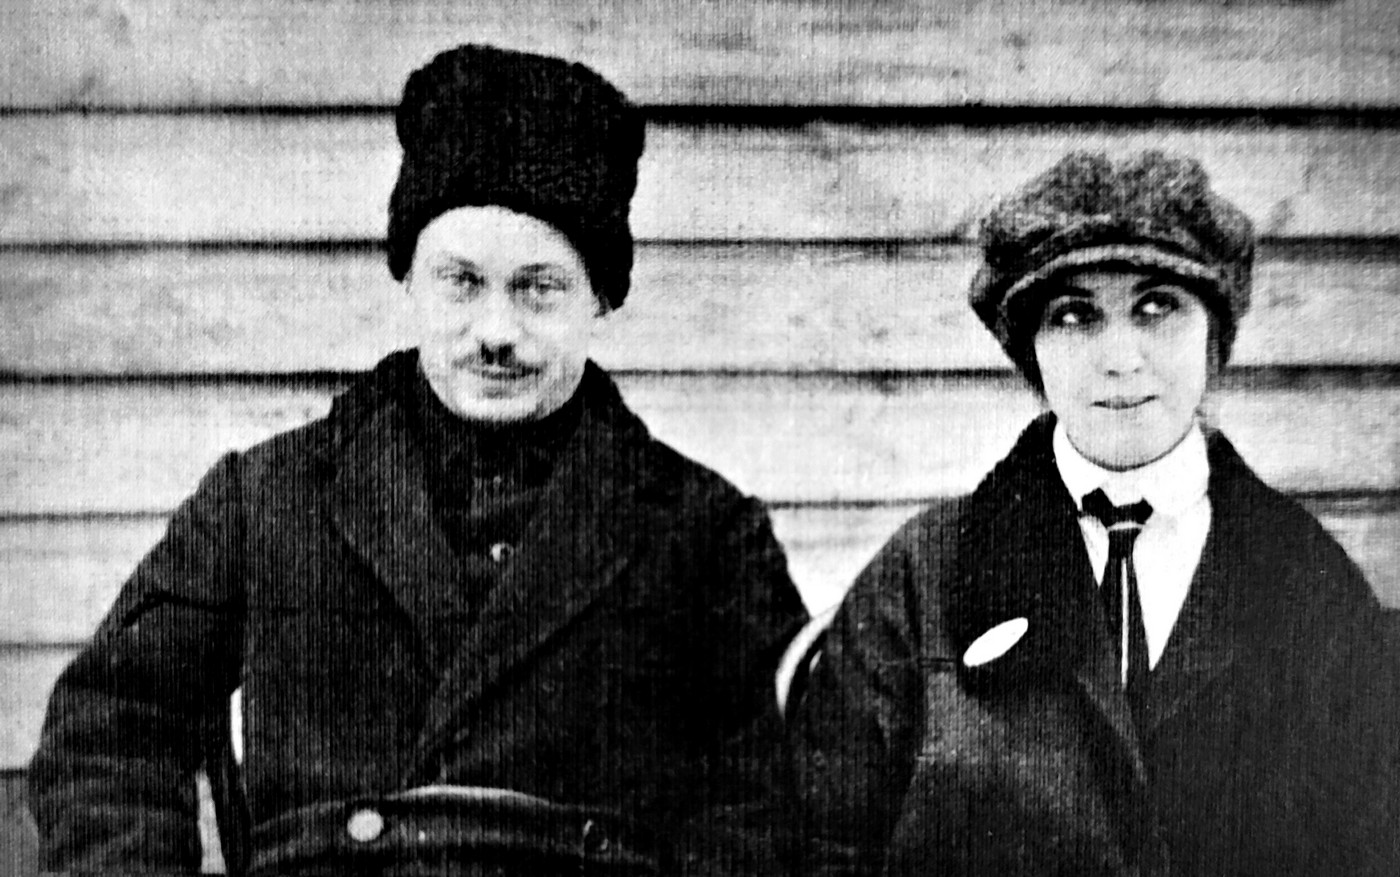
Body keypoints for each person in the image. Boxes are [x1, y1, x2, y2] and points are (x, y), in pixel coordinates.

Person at [29, 44, 806, 876]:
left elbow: (769, 802)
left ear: (601, 298)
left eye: (538, 287)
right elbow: (108, 730)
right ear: (410, 281)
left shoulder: (704, 532)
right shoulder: (265, 500)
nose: (497, 331)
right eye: (461, 281)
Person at [791, 150, 1400, 876]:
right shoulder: (923, 575)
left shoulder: (1303, 578)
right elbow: (823, 847)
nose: (1120, 358)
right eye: (1075, 315)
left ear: (1213, 336)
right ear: (1032, 351)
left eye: (1157, 307)